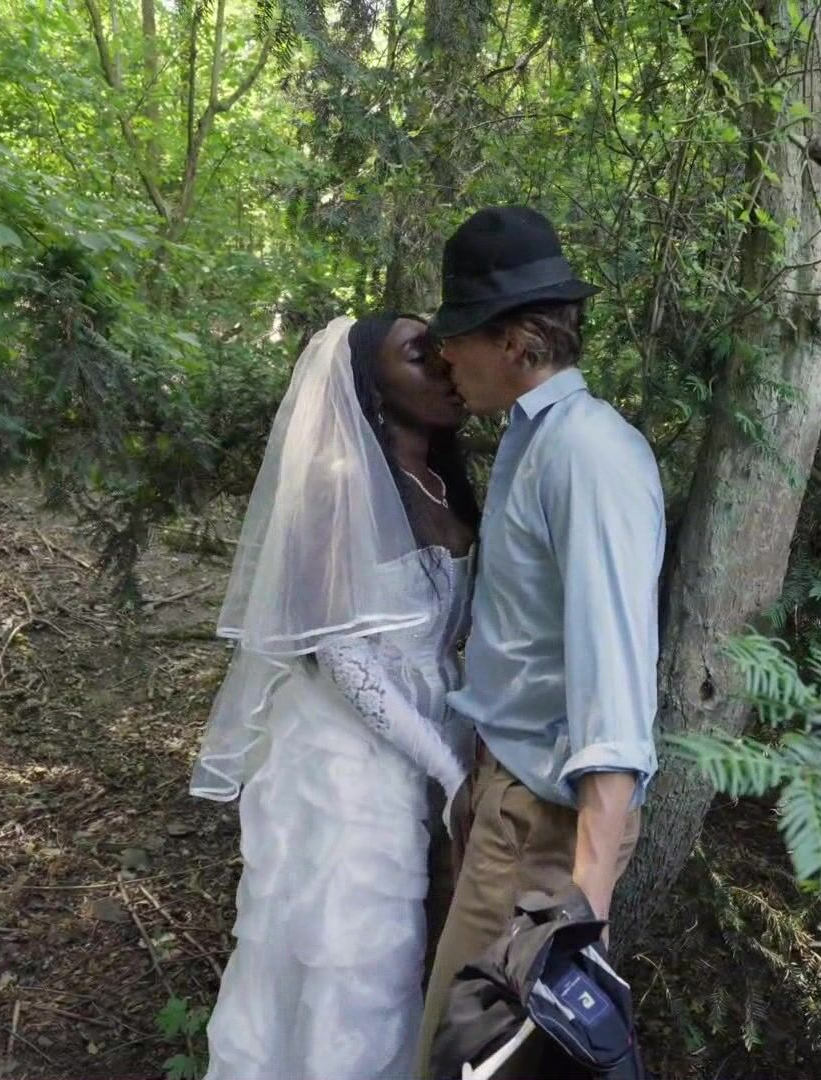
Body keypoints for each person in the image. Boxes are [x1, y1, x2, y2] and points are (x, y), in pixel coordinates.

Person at [189, 313, 481, 1080]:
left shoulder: (446, 481)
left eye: (442, 350)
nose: (443, 366)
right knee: (355, 958)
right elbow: (343, 657)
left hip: (435, 732)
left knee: (416, 953)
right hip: (344, 758)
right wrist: (447, 770)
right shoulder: (337, 483)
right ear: (370, 387)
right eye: (418, 356)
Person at [415, 206, 666, 1079]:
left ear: (518, 342)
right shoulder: (536, 441)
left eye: (458, 337)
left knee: (470, 1059)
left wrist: (578, 926)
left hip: (545, 831)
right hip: (509, 803)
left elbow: (614, 687)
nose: (445, 356)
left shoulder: (586, 456)